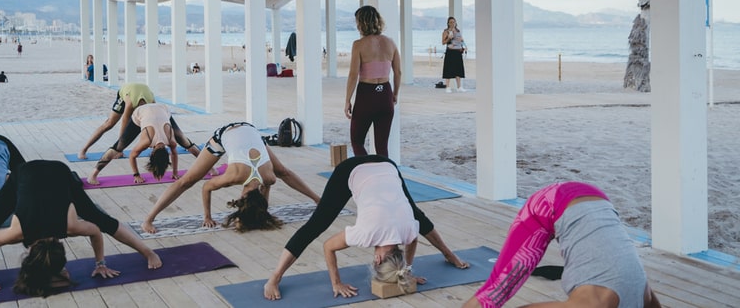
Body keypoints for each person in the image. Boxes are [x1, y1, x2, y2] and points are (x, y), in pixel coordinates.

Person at [0, 159, 162, 298]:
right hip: (24, 174)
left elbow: (96, 230)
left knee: (99, 218)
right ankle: (147, 251)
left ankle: (148, 251)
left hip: (57, 173)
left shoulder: (62, 226)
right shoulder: (26, 231)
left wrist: (101, 263)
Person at [263, 154, 469, 301]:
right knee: (317, 224)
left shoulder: (408, 231)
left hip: (387, 165)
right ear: (377, 259)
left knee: (418, 217)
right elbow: (328, 246)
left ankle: (449, 254)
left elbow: (414, 239)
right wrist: (336, 283)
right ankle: (274, 278)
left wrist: (406, 270)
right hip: (350, 170)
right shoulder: (366, 234)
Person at [462, 182, 662, 308]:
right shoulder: (593, 303)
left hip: (598, 201)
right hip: (549, 202)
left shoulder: (644, 296)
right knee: (494, 294)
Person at [141, 121, 320, 234]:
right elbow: (206, 187)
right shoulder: (234, 176)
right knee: (187, 181)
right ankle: (148, 219)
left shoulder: (269, 177)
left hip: (251, 131)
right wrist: (207, 217)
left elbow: (266, 187)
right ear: (242, 198)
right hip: (224, 135)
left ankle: (317, 199)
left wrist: (262, 210)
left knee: (283, 171)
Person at [78, 82, 200, 181]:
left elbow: (172, 152)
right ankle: (85, 152)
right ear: (152, 154)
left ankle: (208, 166)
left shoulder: (152, 102)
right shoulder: (133, 109)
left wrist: (174, 173)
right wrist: (121, 146)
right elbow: (125, 121)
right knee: (109, 125)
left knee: (184, 140)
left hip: (160, 109)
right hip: (128, 94)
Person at [345, 5, 401, 158]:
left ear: (361, 23)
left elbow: (353, 75)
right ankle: (386, 177)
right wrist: (395, 94)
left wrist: (347, 100)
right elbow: (398, 72)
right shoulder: (391, 43)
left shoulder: (358, 45)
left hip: (366, 95)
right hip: (385, 94)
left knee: (357, 141)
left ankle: (366, 172)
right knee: (382, 147)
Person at [127, 102, 189, 183]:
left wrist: (175, 172)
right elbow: (131, 156)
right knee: (121, 144)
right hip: (142, 110)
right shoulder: (146, 141)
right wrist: (136, 175)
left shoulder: (171, 141)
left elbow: (174, 153)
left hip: (161, 107)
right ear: (152, 154)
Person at [441, 17, 467, 92]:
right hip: (450, 52)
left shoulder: (458, 31)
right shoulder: (446, 31)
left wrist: (463, 44)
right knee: (448, 69)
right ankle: (448, 87)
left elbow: (461, 40)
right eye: (451, 22)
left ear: (456, 23)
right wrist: (449, 38)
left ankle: (459, 87)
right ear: (448, 23)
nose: (452, 23)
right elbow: (443, 42)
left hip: (458, 52)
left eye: (453, 22)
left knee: (458, 69)